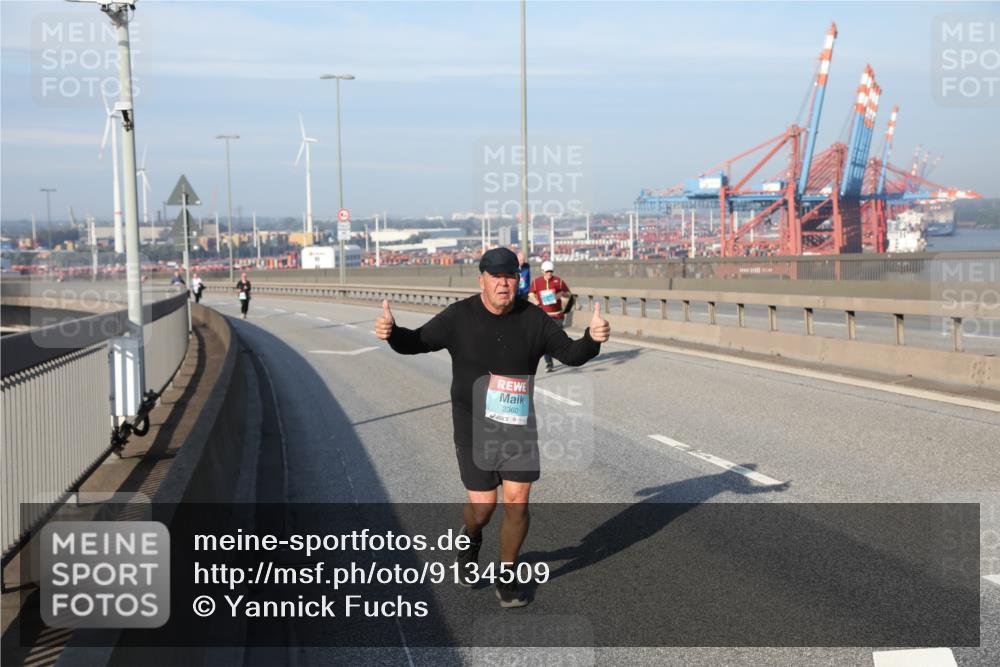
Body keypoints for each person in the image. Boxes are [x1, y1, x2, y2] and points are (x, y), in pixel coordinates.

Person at [375, 247, 610, 607]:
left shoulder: (533, 319)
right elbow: (417, 342)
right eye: (497, 277)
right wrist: (392, 333)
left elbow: (571, 354)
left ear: (519, 280)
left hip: (516, 427)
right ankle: (470, 540)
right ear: (481, 279)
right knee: (483, 508)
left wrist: (593, 339)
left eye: (511, 277)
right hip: (472, 427)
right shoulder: (460, 317)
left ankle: (507, 577)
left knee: (517, 502)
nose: (504, 284)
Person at [528, 260, 572, 372]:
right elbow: (531, 293)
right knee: (545, 340)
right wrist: (536, 301)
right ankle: (549, 363)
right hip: (544, 315)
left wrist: (560, 294)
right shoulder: (536, 282)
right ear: (543, 271)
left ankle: (564, 355)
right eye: (547, 271)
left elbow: (568, 293)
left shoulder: (559, 281)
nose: (549, 274)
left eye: (551, 271)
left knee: (558, 338)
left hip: (557, 315)